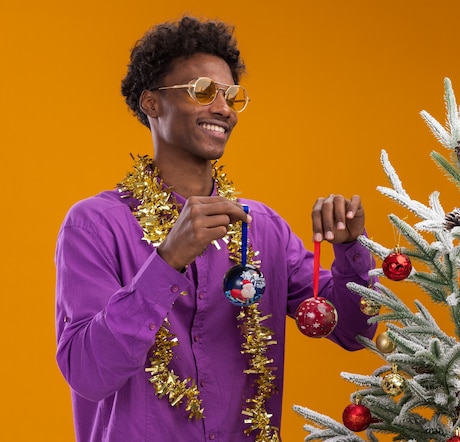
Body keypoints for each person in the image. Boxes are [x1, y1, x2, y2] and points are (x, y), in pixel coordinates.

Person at [55, 16, 377, 442]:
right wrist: (167, 262)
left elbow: (353, 332)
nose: (223, 109)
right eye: (202, 91)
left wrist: (351, 248)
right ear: (151, 103)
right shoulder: (96, 225)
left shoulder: (263, 230)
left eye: (231, 96)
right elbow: (88, 372)